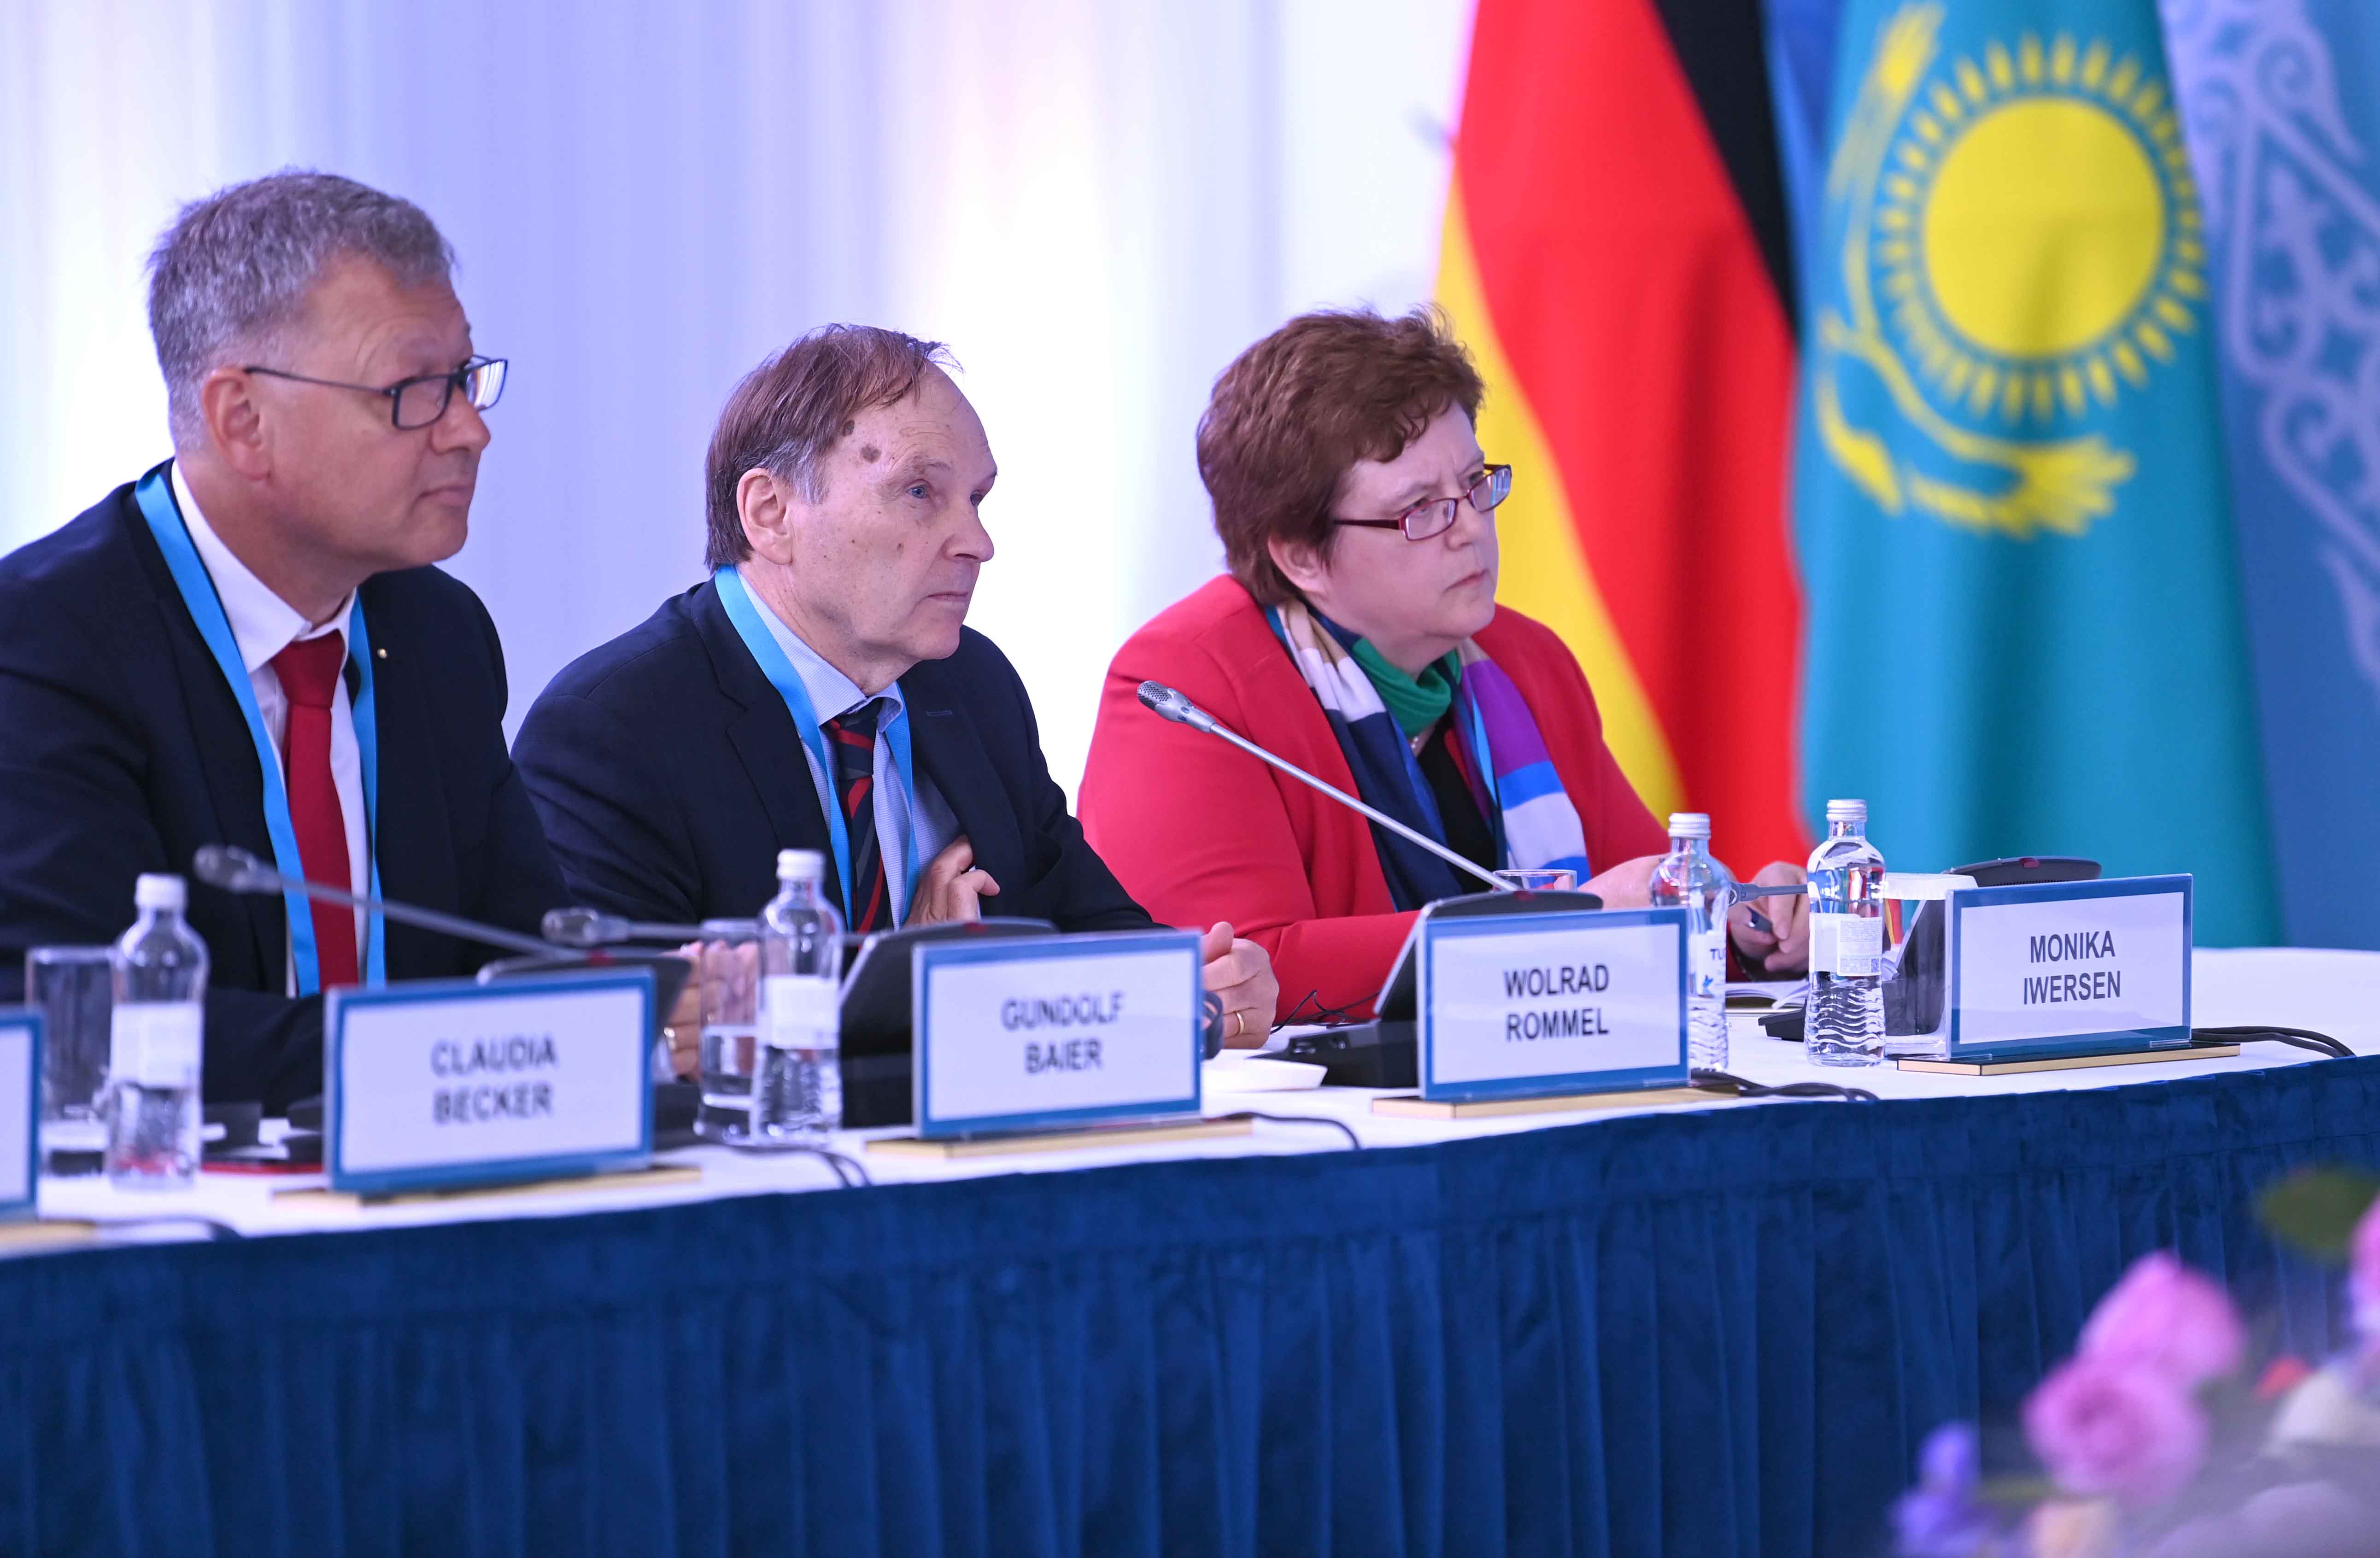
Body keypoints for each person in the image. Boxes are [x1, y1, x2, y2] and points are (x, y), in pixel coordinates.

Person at [514, 325, 1275, 1068]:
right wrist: (905, 988)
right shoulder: (613, 728)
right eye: (919, 492)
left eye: (976, 498)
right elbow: (616, 1050)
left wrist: (1194, 989)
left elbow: (1092, 931)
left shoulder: (973, 684)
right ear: (770, 513)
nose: (977, 542)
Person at [0, 171, 570, 1110]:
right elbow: (89, 1023)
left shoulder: (440, 632)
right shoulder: (45, 644)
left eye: (466, 380)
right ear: (243, 421)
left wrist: (658, 999)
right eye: (415, 391)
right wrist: (442, 1052)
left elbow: (528, 954)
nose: (471, 430)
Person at [1078, 307, 1808, 1023]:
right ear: (1301, 556)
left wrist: (1744, 929)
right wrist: (1562, 923)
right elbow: (1248, 973)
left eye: (1474, 483)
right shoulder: (1186, 685)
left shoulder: (1523, 663)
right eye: (1421, 510)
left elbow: (1642, 898)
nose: (1472, 529)